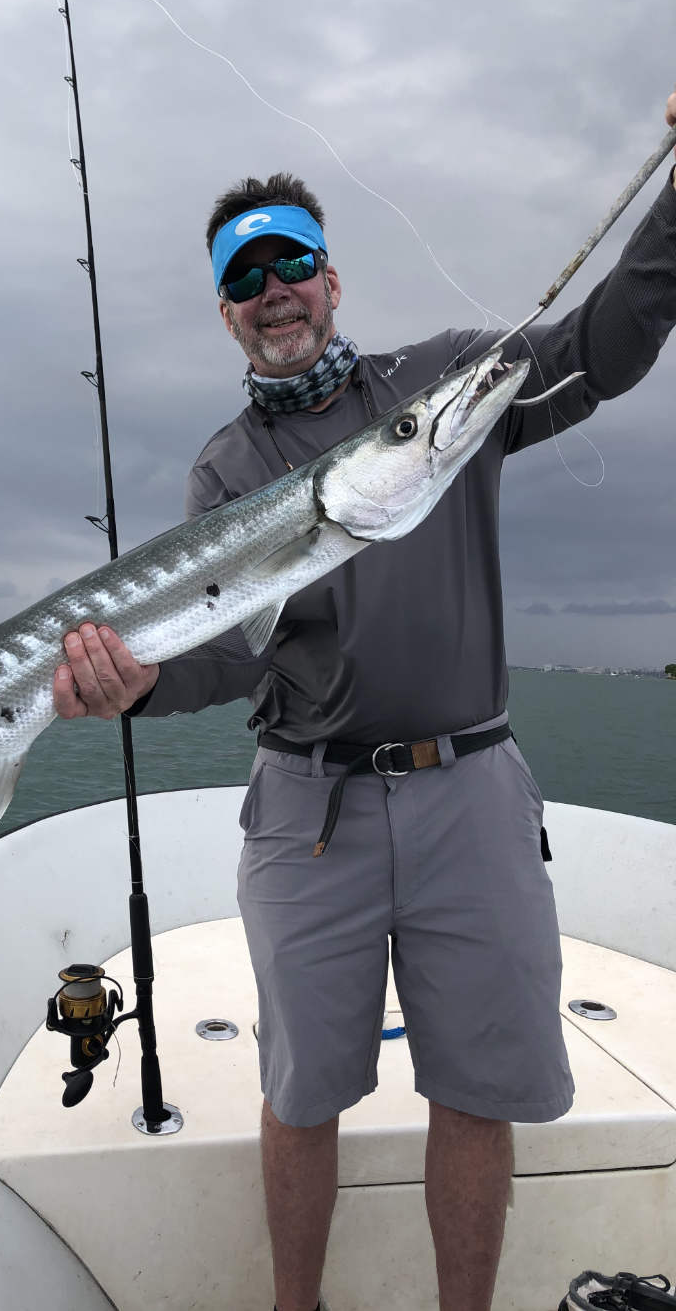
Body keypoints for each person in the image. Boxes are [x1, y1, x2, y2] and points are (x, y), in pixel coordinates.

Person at [52, 90, 676, 1311]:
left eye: (293, 261)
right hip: (308, 812)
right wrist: (128, 689)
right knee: (303, 1093)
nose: (273, 287)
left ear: (331, 280)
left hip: (472, 794)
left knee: (478, 1088)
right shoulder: (227, 469)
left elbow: (608, 340)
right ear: (227, 313)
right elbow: (232, 658)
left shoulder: (444, 385)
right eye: (246, 276)